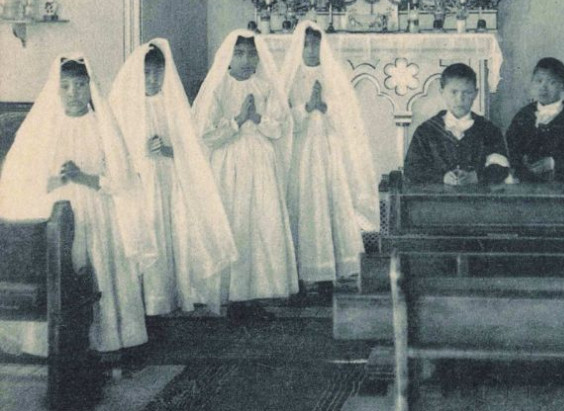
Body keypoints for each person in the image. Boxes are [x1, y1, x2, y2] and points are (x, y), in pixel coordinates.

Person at [0, 54, 152, 356]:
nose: (73, 93)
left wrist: (84, 177)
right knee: (56, 266)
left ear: (91, 88)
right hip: (53, 209)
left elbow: (121, 179)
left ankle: (103, 334)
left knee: (95, 265)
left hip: (95, 206)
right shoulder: (43, 129)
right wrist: (55, 179)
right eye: (66, 87)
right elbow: (19, 180)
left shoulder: (102, 127)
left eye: (80, 86)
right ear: (56, 90)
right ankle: (46, 339)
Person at [109, 40, 237, 316]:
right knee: (147, 231)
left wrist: (167, 150)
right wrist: (140, 152)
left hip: (167, 180)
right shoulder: (124, 107)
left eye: (158, 72)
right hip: (140, 184)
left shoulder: (171, 105)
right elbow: (115, 151)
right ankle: (145, 300)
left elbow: (190, 148)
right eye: (147, 73)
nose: (153, 79)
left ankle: (166, 297)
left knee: (168, 233)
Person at [192, 30, 298, 312]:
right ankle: (233, 293)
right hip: (228, 163)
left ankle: (258, 291)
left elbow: (279, 127)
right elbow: (206, 135)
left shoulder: (266, 87)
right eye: (239, 54)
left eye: (251, 53)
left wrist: (257, 118)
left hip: (260, 161)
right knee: (235, 221)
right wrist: (238, 120)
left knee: (261, 222)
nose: (246, 59)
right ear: (228, 56)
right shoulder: (218, 88)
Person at [281, 21, 377, 287]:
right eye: (306, 45)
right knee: (306, 203)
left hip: (328, 146)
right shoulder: (290, 77)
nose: (312, 50)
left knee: (330, 200)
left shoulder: (332, 74)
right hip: (303, 149)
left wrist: (326, 107)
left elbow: (347, 118)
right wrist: (304, 108)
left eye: (316, 44)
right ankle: (305, 272)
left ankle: (333, 267)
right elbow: (282, 119)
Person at [404, 62, 510, 186]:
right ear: (442, 92)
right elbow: (412, 168)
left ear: (475, 93)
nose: (460, 99)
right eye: (453, 92)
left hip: (478, 201)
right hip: (435, 201)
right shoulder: (426, 130)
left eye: (467, 92)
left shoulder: (489, 130)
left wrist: (476, 176)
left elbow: (502, 166)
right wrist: (442, 177)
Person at [506, 57, 564, 184]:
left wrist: (553, 163)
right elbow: (511, 148)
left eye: (551, 82)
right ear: (532, 83)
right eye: (539, 81)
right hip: (526, 187)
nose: (543, 87)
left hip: (563, 189)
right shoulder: (524, 116)